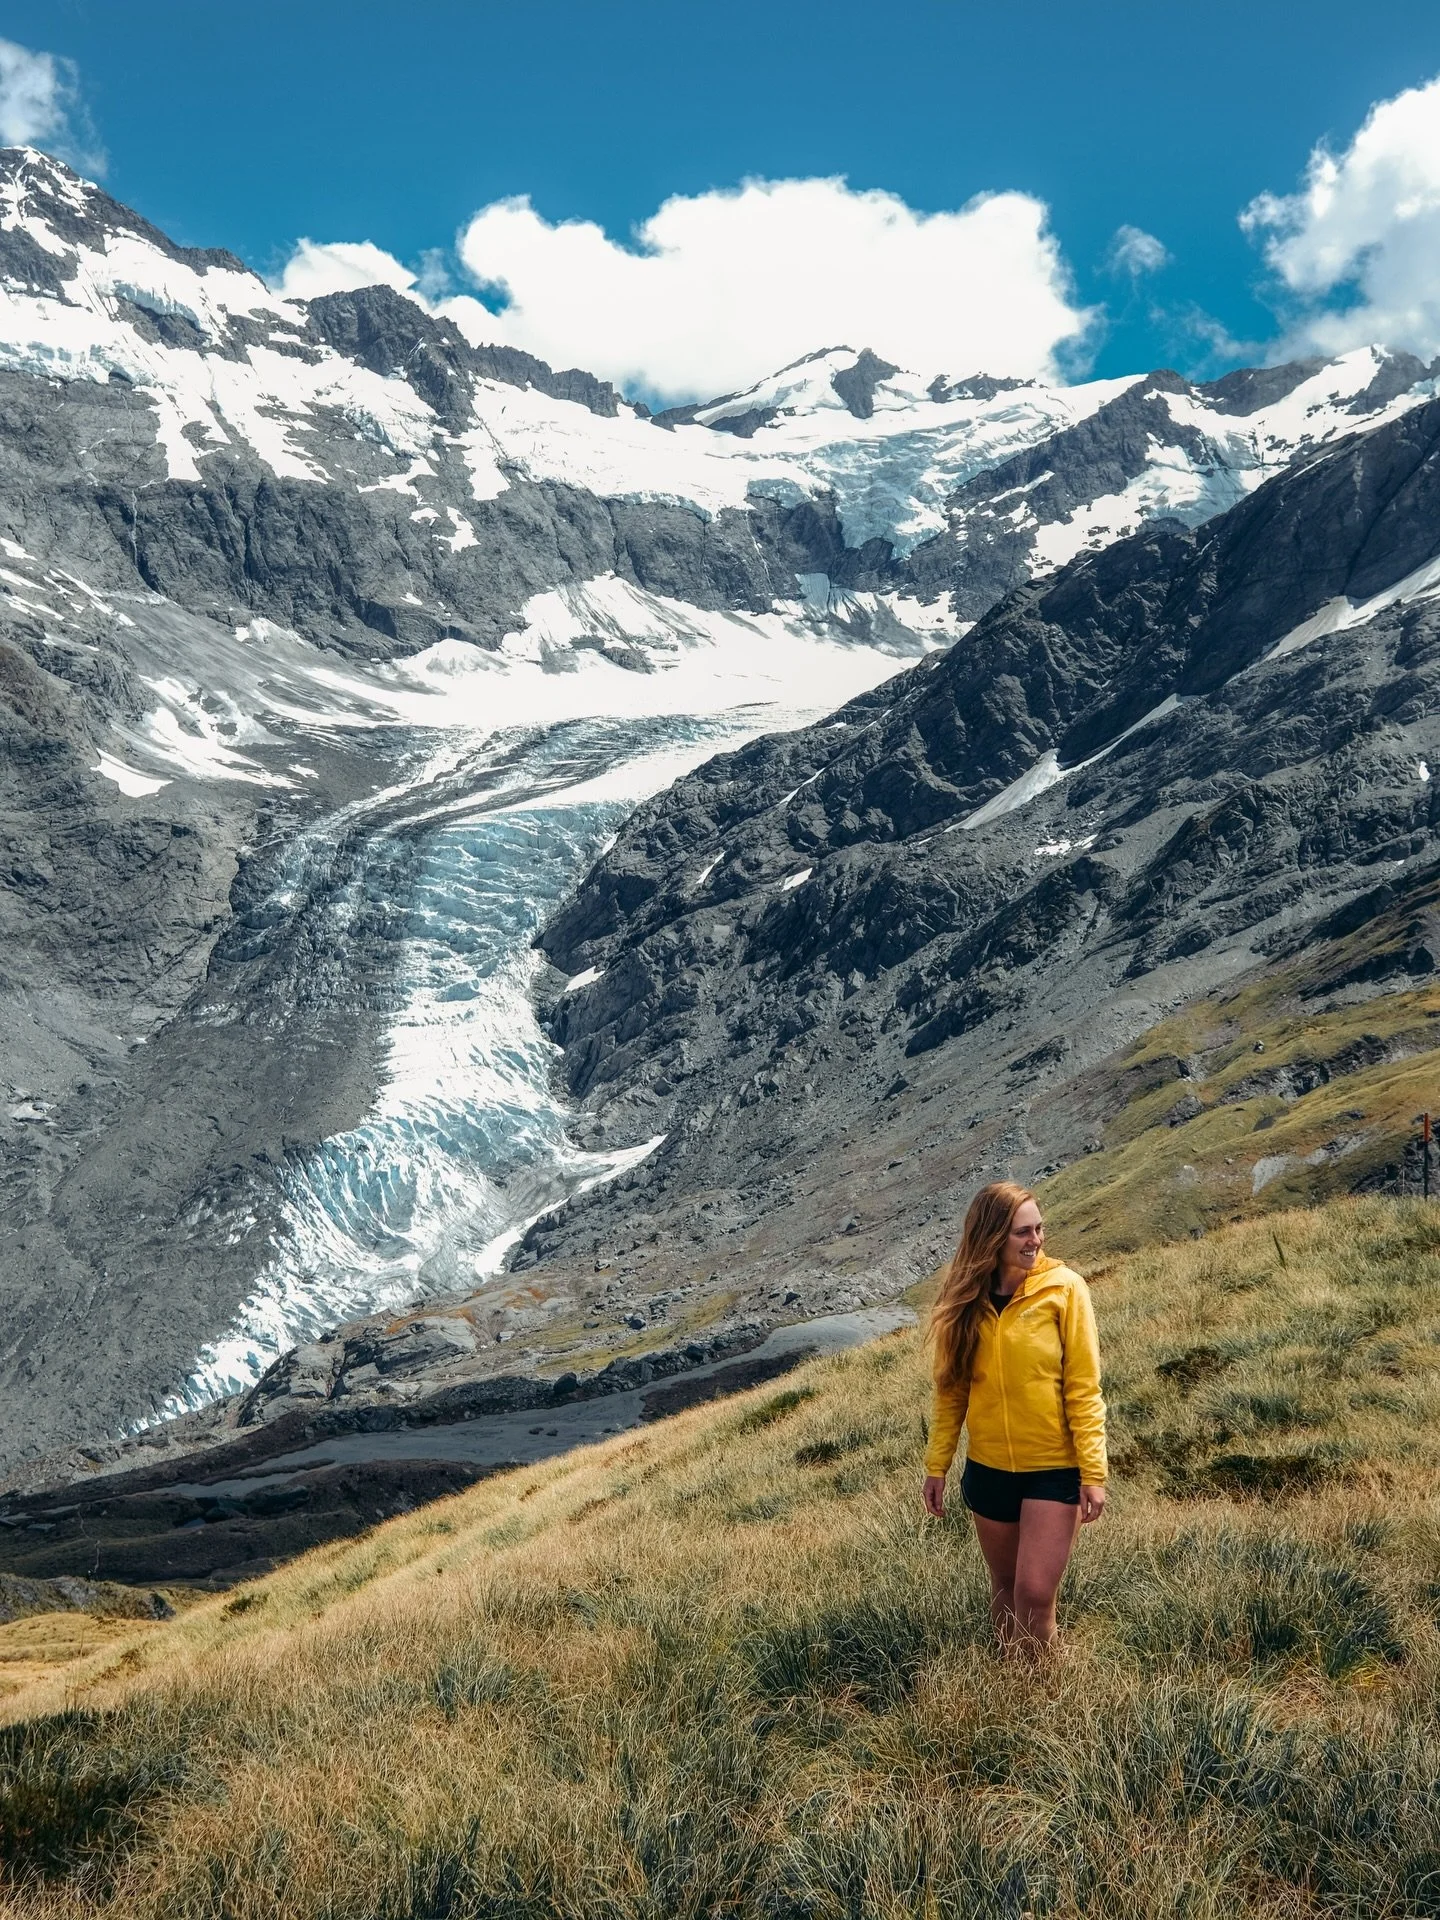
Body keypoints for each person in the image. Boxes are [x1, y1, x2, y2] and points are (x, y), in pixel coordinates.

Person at [921, 1181, 1107, 1651]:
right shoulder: (966, 1301)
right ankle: (1011, 1691)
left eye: (1039, 1229)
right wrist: (937, 1465)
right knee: (1004, 1587)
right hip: (988, 1469)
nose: (1036, 1240)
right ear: (992, 1238)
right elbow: (951, 1392)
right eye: (1023, 1232)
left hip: (1053, 1468)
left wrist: (1093, 1471)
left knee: (1035, 1593)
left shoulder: (1065, 1290)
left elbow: (1084, 1390)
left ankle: (1044, 1693)